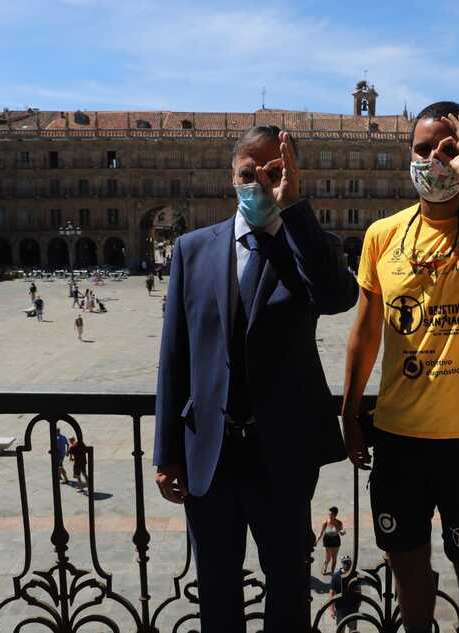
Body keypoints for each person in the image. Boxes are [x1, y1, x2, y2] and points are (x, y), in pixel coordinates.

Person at [153, 125, 358, 633]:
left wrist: (295, 210)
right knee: (217, 586)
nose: (260, 184)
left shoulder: (309, 247)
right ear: (232, 176)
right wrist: (166, 453)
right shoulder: (191, 250)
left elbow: (337, 297)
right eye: (250, 173)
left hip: (283, 455)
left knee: (288, 584)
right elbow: (174, 355)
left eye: (274, 173)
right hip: (210, 455)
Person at [342, 102, 459, 633]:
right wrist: (351, 411)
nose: (434, 159)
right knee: (408, 573)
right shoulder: (382, 235)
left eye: (449, 148)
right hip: (398, 437)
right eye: (424, 149)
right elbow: (366, 329)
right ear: (409, 153)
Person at [330, 555, 360, 632]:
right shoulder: (336, 576)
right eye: (345, 562)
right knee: (341, 629)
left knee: (352, 629)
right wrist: (332, 610)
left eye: (348, 562)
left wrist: (358, 603)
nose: (347, 564)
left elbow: (359, 590)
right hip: (341, 607)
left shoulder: (355, 574)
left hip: (352, 607)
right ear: (342, 563)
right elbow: (332, 593)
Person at [315, 506, 346, 575]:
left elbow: (341, 532)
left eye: (331, 514)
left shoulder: (339, 523)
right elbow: (321, 533)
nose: (329, 515)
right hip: (327, 540)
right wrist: (316, 541)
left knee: (334, 558)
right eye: (329, 514)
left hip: (335, 540)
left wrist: (343, 532)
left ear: (335, 515)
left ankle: (332, 572)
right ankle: (325, 567)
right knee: (328, 558)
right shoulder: (325, 522)